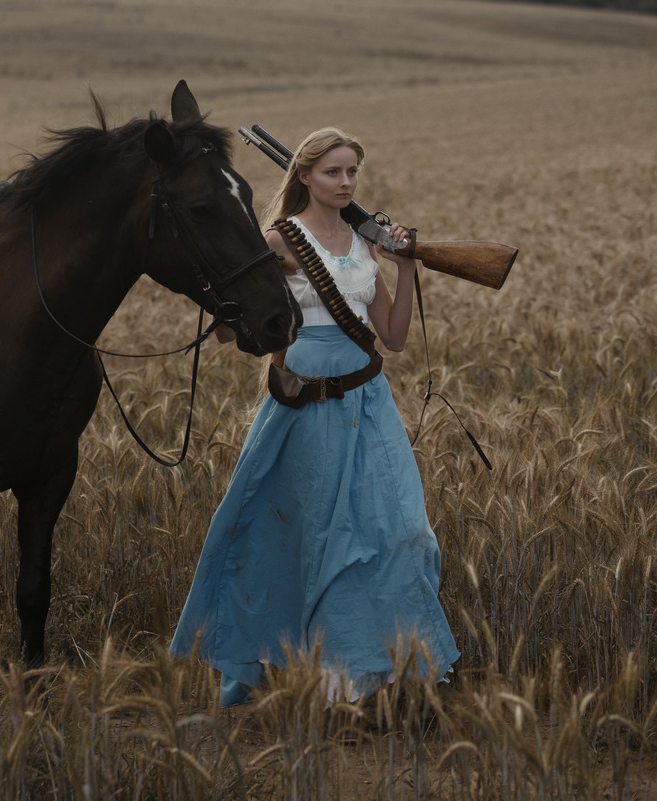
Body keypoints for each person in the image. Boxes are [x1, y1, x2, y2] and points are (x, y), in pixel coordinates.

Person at [170, 127, 459, 706]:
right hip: (303, 408)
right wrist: (243, 290)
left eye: (353, 171)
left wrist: (406, 267)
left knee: (403, 533)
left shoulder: (361, 243)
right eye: (333, 171)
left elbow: (394, 339)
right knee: (302, 539)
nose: (346, 181)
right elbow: (231, 330)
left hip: (369, 405)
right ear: (303, 176)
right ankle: (316, 680)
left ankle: (364, 673)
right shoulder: (278, 241)